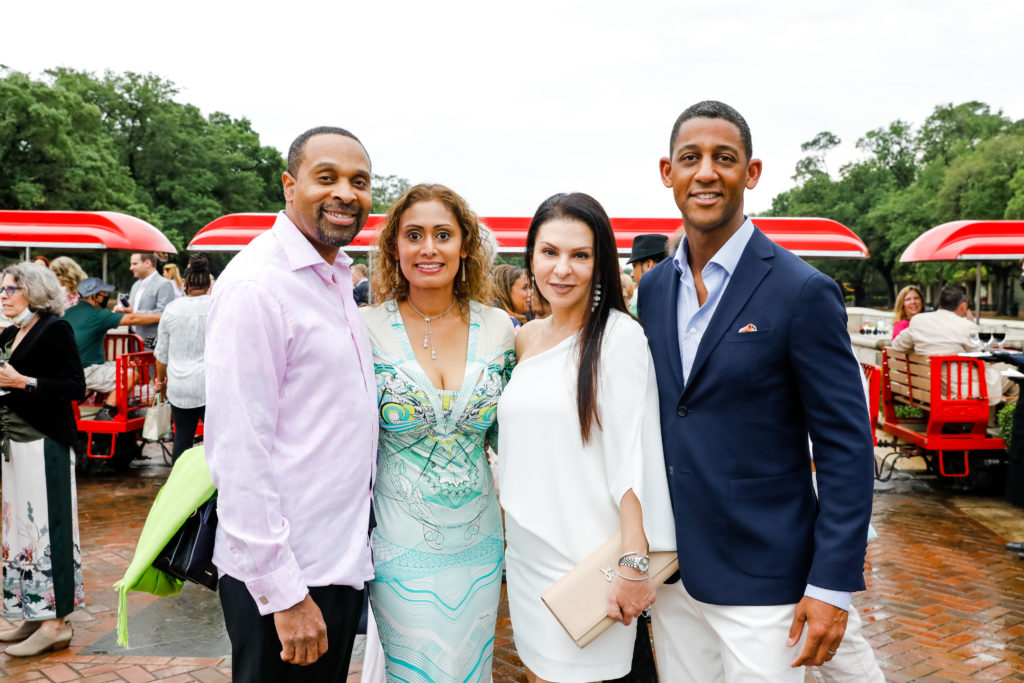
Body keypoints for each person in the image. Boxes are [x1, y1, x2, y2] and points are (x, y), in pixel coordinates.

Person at [637, 101, 875, 681]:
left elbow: (846, 448)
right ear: (668, 172)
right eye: (690, 159)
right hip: (674, 574)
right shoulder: (653, 291)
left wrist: (831, 585)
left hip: (765, 577)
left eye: (725, 158)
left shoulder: (802, 291)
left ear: (752, 172)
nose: (707, 172)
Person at [204, 126, 378, 681]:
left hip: (337, 562)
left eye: (360, 181)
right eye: (326, 178)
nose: (345, 193)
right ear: (288, 185)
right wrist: (283, 594)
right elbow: (238, 452)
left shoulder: (333, 276)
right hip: (287, 576)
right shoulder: (259, 285)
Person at [497, 192, 676, 682]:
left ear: (600, 263)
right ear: (530, 256)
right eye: (550, 252)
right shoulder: (525, 338)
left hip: (590, 556)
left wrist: (634, 564)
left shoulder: (620, 337)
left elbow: (632, 455)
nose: (562, 269)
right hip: (528, 550)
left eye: (580, 255)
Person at [361, 183, 513, 682]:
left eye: (443, 234)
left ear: (464, 246)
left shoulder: (501, 329)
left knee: (473, 670)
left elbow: (513, 435)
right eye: (414, 235)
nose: (429, 248)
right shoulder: (363, 331)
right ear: (394, 249)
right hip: (400, 545)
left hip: (481, 543)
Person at [0, 263, 86, 657]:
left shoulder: (55, 329)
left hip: (45, 444)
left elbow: (75, 387)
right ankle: (33, 613)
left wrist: (24, 382)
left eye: (11, 289)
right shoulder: (8, 333)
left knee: (50, 531)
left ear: (33, 291)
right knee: (21, 532)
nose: (4, 295)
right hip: (13, 448)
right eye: (2, 289)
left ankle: (56, 624)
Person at [890, 284, 1015, 405]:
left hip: (928, 388)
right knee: (1016, 372)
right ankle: (1001, 423)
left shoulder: (918, 320)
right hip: (960, 392)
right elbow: (984, 357)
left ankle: (989, 421)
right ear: (963, 306)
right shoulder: (965, 326)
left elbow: (897, 345)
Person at [63, 278, 160, 421]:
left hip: (69, 369)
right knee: (130, 374)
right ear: (94, 296)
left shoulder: (68, 312)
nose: (106, 298)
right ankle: (106, 411)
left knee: (116, 366)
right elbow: (133, 319)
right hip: (85, 371)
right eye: (103, 295)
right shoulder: (97, 315)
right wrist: (163, 315)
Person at [154, 254, 212, 463]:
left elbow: (161, 354)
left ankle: (179, 488)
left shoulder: (172, 309)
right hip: (210, 385)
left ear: (185, 283)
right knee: (216, 440)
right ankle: (216, 489)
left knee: (182, 439)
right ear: (209, 283)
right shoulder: (217, 305)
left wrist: (160, 383)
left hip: (179, 386)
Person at [114, 251, 174, 349]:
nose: (131, 268)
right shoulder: (135, 285)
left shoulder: (164, 284)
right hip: (133, 340)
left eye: (135, 264)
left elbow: (164, 314)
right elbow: (132, 311)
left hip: (152, 343)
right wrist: (124, 310)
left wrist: (135, 313)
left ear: (147, 263)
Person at [626, 234, 669, 315]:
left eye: (634, 266)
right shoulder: (674, 295)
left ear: (649, 265)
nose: (632, 274)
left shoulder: (653, 302)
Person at [493, 263, 530, 327]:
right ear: (506, 290)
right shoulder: (512, 323)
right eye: (525, 288)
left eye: (530, 288)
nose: (530, 293)